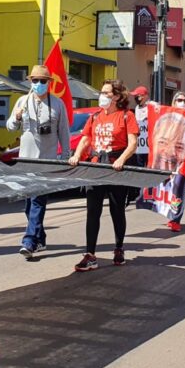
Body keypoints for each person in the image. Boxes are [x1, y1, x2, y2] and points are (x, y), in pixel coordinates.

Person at [68, 79, 138, 272]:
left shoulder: (126, 116)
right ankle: (90, 255)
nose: (102, 96)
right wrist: (76, 155)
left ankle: (119, 248)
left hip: (116, 167)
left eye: (106, 93)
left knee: (117, 210)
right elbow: (85, 139)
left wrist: (122, 159)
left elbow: (132, 143)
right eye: (102, 92)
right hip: (96, 167)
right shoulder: (95, 116)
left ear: (116, 96)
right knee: (93, 211)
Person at [7, 64, 70, 260]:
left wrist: (65, 156)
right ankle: (40, 236)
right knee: (29, 204)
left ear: (49, 83)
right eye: (35, 81)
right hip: (26, 161)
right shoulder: (22, 101)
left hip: (47, 162)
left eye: (43, 81)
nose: (39, 84)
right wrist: (16, 118)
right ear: (30, 82)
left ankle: (29, 241)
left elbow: (64, 133)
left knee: (37, 201)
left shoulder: (57, 104)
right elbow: (9, 127)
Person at [154, 92, 185, 232]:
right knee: (167, 187)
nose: (182, 102)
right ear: (173, 102)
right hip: (166, 158)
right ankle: (169, 213)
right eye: (179, 100)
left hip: (183, 159)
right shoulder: (167, 115)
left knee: (179, 186)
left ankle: (175, 219)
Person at [130, 85, 151, 168]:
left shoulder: (152, 107)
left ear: (144, 96)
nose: (135, 98)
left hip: (149, 141)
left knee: (149, 162)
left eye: (137, 96)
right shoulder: (137, 108)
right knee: (139, 162)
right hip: (140, 141)